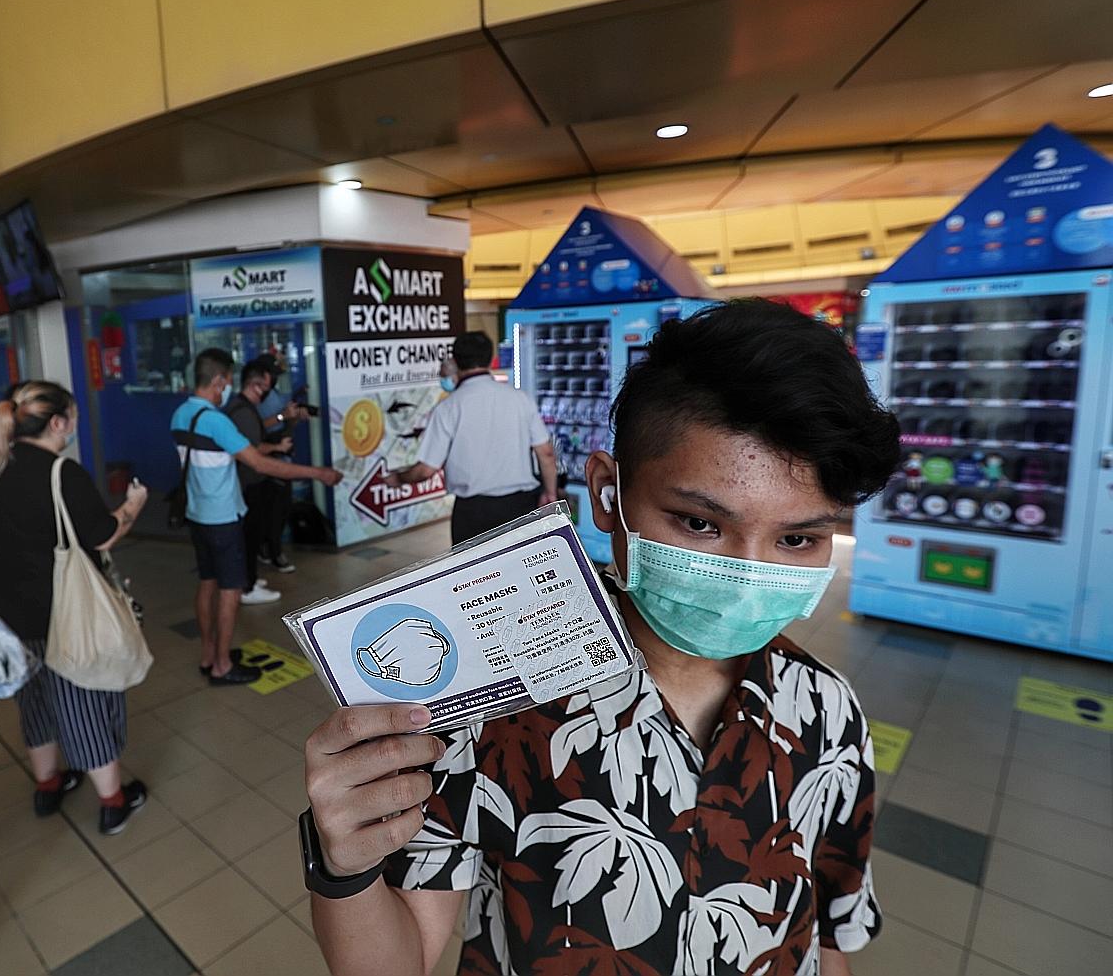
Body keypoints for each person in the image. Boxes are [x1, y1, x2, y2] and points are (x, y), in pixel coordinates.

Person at [301, 300, 899, 976]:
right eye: (700, 524)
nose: (744, 576)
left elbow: (823, 936)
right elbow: (396, 959)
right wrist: (344, 865)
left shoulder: (828, 711)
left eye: (797, 538)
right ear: (608, 494)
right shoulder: (492, 706)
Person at [0, 380, 150, 831]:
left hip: (10, 615)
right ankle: (112, 801)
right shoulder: (61, 474)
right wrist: (132, 505)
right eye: (70, 416)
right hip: (65, 616)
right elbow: (102, 533)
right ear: (57, 423)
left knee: (35, 703)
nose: (73, 424)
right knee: (82, 701)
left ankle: (48, 787)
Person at [171, 348, 342, 683]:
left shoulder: (180, 414)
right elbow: (260, 463)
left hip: (197, 514)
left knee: (207, 583)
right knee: (231, 589)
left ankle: (208, 654)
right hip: (223, 517)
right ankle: (222, 664)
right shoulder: (216, 420)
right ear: (220, 380)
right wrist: (317, 473)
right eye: (228, 379)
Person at [386, 331, 558, 546]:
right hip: (521, 506)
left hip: (472, 513)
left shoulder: (448, 408)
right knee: (519, 572)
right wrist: (550, 492)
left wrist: (398, 479)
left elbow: (425, 471)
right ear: (490, 358)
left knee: (476, 578)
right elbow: (546, 453)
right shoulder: (520, 399)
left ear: (456, 362)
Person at [222, 358, 303, 605]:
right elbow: (253, 447)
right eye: (265, 385)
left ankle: (250, 578)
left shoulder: (243, 407)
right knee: (250, 533)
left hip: (250, 481)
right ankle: (247, 586)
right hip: (248, 481)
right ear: (257, 384)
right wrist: (277, 446)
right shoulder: (243, 410)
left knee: (254, 531)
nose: (267, 391)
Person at [251, 352, 308, 574]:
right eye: (271, 375)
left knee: (279, 508)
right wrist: (283, 416)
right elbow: (254, 429)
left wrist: (295, 413)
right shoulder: (255, 399)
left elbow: (284, 417)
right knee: (274, 509)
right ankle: (274, 552)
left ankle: (267, 548)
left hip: (281, 453)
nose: (273, 379)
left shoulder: (273, 394)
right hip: (266, 456)